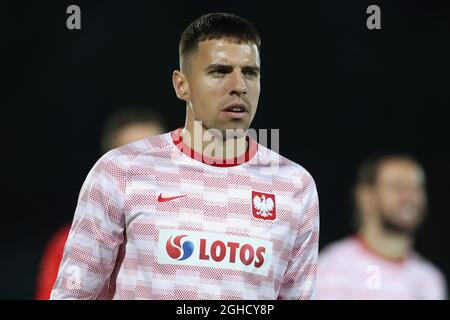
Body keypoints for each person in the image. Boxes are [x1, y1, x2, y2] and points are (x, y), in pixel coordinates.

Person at [51, 12, 319, 300]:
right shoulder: (122, 171)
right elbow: (73, 295)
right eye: (220, 71)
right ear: (182, 85)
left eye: (250, 72)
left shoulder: (294, 186)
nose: (239, 85)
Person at [35, 107, 166, 300]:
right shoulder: (69, 242)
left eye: (156, 155)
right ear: (108, 164)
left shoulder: (197, 232)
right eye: (132, 158)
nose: (145, 169)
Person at [316, 153, 447, 299]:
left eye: (417, 187)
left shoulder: (430, 278)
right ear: (365, 196)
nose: (410, 197)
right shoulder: (335, 268)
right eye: (397, 187)